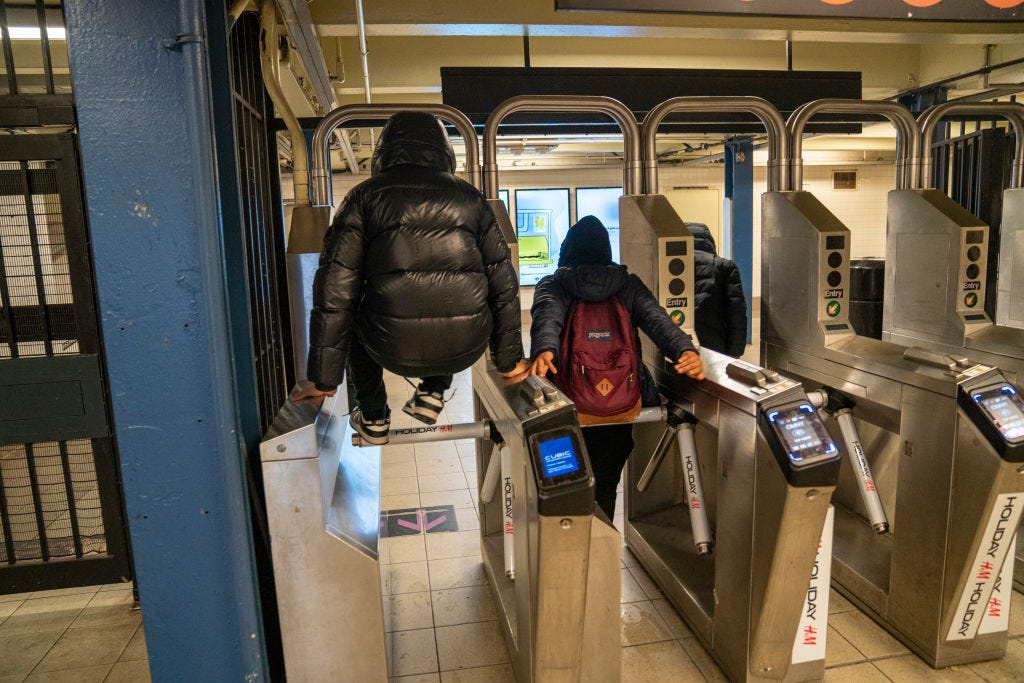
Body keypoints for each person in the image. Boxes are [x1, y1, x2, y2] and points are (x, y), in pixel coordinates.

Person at [297, 111, 530, 444]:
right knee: (450, 296)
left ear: (385, 151)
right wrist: (509, 362)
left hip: (390, 349)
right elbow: (503, 286)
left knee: (354, 317)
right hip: (465, 348)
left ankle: (374, 415)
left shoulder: (365, 198)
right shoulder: (471, 199)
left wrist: (324, 379)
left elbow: (336, 293)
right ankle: (434, 392)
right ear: (443, 150)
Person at [529, 215, 704, 521]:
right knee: (606, 481)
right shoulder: (626, 284)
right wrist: (683, 349)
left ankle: (573, 544)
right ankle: (603, 539)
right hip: (620, 401)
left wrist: (545, 349)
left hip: (569, 404)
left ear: (567, 250)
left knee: (567, 485)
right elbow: (657, 319)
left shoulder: (555, 284)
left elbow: (548, 316)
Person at [688, 222, 748, 358]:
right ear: (708, 241)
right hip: (716, 346)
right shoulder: (724, 266)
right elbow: (737, 313)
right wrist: (735, 352)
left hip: (682, 346)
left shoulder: (673, 267)